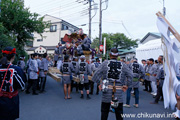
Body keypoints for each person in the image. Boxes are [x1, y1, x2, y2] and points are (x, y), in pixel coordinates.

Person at [92, 48, 133, 120]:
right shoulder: (123, 65)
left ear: (110, 54)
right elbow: (130, 75)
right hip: (118, 91)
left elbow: (96, 74)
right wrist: (126, 85)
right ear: (118, 56)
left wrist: (100, 83)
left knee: (104, 112)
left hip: (107, 90)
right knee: (119, 113)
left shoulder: (105, 63)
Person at [0, 47, 26, 120]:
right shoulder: (16, 69)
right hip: (11, 100)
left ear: (2, 55)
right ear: (13, 57)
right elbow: (22, 85)